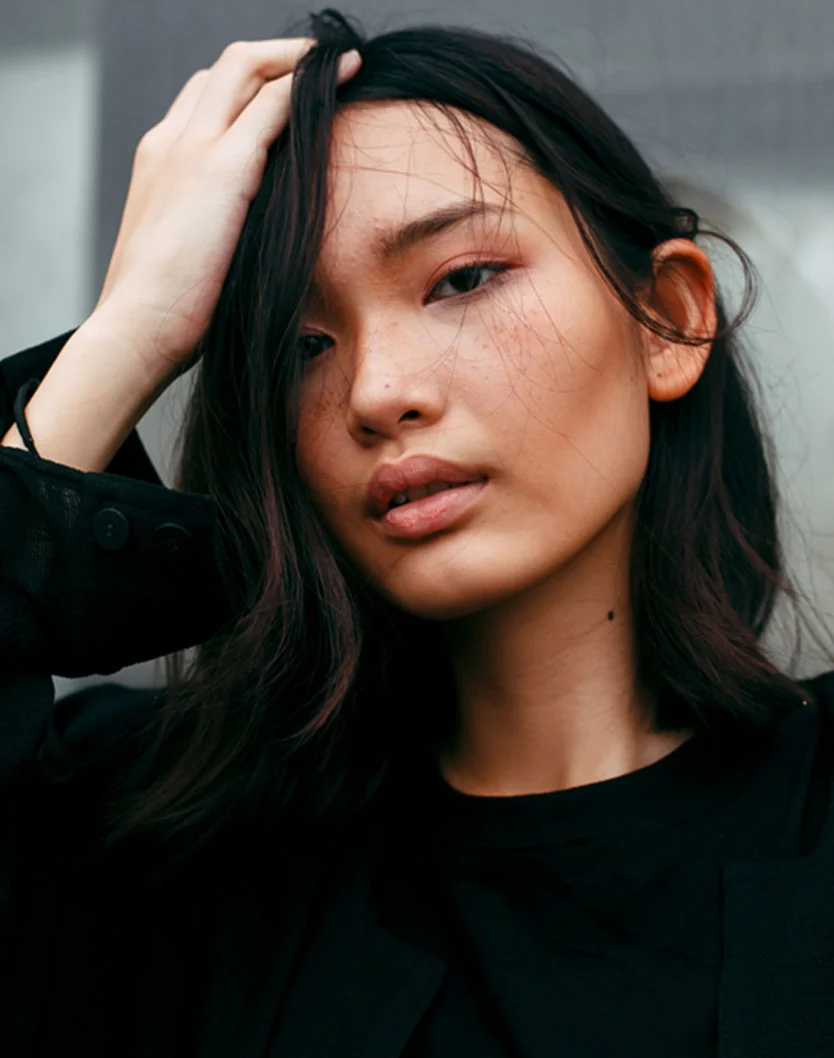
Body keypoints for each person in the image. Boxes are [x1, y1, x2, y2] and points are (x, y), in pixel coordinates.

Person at [1, 9, 833, 1057]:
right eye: (302, 343)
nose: (378, 392)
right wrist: (128, 331)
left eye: (462, 278)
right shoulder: (159, 845)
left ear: (666, 318)